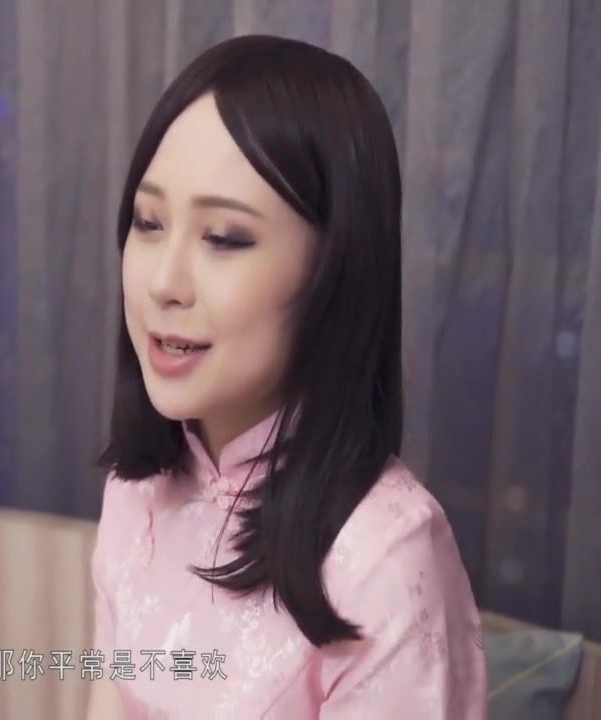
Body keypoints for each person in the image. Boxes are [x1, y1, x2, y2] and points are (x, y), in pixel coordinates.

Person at [85, 34, 487, 719]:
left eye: (224, 237)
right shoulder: (137, 488)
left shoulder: (384, 557)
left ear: (334, 271)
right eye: (148, 223)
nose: (163, 282)